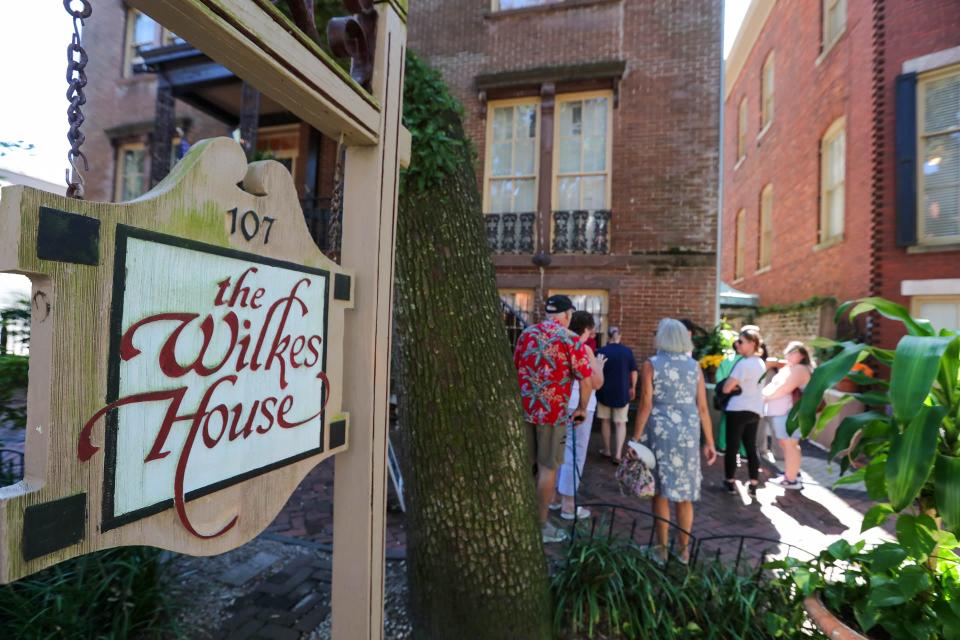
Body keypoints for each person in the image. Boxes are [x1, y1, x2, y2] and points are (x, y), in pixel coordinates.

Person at [631, 318, 717, 564]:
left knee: (660, 492)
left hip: (660, 431)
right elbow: (702, 407)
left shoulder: (651, 364)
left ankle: (661, 549)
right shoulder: (694, 366)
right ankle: (684, 551)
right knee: (685, 494)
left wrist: (635, 439)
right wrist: (710, 442)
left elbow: (645, 403)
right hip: (688, 433)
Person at [514, 295, 595, 543]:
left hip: (525, 411)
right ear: (568, 315)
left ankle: (519, 518)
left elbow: (516, 367)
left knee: (525, 467)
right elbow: (586, 380)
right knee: (548, 469)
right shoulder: (571, 340)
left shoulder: (526, 334)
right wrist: (581, 408)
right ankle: (540, 525)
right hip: (554, 414)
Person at [553, 311, 605, 520]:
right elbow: (596, 383)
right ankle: (568, 504)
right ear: (587, 329)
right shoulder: (583, 349)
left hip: (560, 404)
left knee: (559, 451)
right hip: (580, 405)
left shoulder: (559, 346)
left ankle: (555, 498)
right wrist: (599, 367)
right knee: (576, 452)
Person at [762, 342, 814, 490]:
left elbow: (784, 388)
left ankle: (791, 479)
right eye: (788, 352)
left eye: (793, 352)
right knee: (788, 444)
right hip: (784, 413)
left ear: (802, 355)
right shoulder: (792, 366)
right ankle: (792, 473)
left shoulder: (799, 369)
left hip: (789, 414)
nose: (789, 355)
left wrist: (765, 396)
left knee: (791, 444)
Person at [722, 328, 767, 497]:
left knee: (732, 447)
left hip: (737, 409)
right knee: (751, 447)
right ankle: (754, 483)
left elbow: (727, 388)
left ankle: (730, 481)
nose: (737, 345)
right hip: (755, 409)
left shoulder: (744, 364)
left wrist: (732, 386)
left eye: (741, 342)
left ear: (752, 343)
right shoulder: (760, 363)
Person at [596, 326, 638, 464]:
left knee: (605, 421)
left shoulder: (601, 351)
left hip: (603, 391)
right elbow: (634, 372)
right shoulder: (627, 352)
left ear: (608, 336)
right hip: (622, 392)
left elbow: (596, 371)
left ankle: (607, 450)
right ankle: (618, 454)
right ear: (620, 335)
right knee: (620, 423)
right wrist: (633, 387)